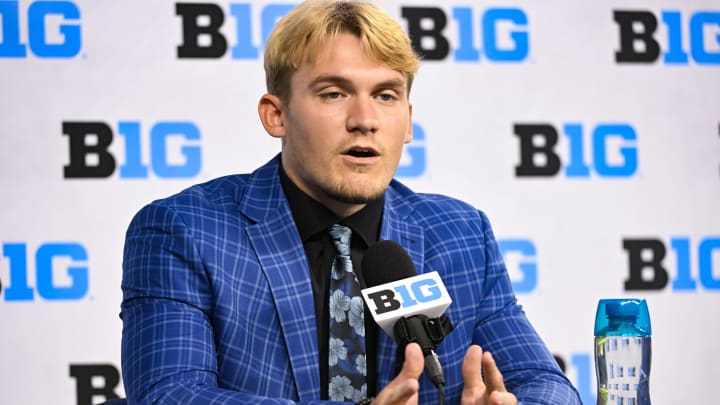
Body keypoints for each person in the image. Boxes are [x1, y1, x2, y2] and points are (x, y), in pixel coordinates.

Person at [120, 1, 582, 404]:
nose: (365, 120)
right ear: (276, 114)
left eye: (385, 95)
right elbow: (170, 393)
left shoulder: (460, 232)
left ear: (407, 122)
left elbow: (543, 381)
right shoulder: (183, 230)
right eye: (334, 93)